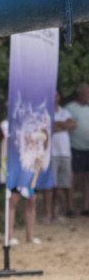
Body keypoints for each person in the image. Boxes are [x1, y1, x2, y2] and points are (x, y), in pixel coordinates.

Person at [45, 90, 76, 222]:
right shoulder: (45, 112)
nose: (55, 97)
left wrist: (57, 124)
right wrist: (64, 125)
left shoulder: (64, 112)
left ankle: (56, 213)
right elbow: (47, 128)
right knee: (49, 185)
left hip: (65, 153)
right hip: (51, 153)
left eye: (57, 94)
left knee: (61, 185)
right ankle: (48, 214)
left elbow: (73, 124)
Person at [64, 82, 89, 215]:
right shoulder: (70, 108)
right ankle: (70, 207)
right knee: (73, 177)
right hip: (75, 147)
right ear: (81, 93)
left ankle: (86, 207)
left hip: (88, 148)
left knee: (87, 177)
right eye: (87, 93)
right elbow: (65, 125)